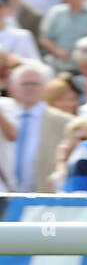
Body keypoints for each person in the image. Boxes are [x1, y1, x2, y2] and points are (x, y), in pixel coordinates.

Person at [3, 61, 72, 192]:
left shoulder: (64, 122)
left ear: (45, 87)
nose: (30, 88)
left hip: (44, 199)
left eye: (35, 83)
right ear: (13, 88)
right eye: (24, 84)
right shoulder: (5, 116)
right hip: (6, 199)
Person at [39, 0, 87, 74]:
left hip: (84, 69)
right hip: (56, 66)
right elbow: (44, 39)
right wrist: (58, 51)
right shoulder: (56, 12)